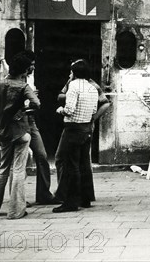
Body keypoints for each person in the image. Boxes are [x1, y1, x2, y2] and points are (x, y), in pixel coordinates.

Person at [0, 53, 40, 219]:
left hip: (3, 131)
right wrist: (24, 110)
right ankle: (16, 210)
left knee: (2, 169)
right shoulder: (23, 86)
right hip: (21, 131)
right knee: (18, 170)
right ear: (24, 70)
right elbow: (37, 103)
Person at [55, 71, 111, 206]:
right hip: (84, 126)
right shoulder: (78, 84)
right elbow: (61, 95)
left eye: (71, 72)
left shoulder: (86, 85)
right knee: (81, 161)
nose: (69, 75)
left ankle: (68, 196)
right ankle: (82, 196)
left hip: (78, 125)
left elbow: (105, 103)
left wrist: (93, 118)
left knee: (68, 160)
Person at [52, 59, 98, 213]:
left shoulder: (73, 86)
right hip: (86, 129)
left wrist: (60, 110)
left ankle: (70, 202)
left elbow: (69, 109)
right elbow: (93, 111)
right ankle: (85, 199)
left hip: (73, 129)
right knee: (84, 164)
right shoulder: (92, 88)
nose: (70, 74)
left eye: (71, 71)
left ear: (75, 73)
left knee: (71, 166)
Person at [19, 50, 60, 205]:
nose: (34, 68)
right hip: (19, 120)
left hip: (31, 120)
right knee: (19, 161)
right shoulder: (15, 80)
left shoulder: (31, 78)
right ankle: (18, 198)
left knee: (42, 156)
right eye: (32, 65)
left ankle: (43, 194)